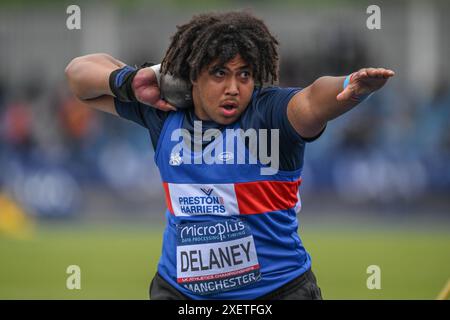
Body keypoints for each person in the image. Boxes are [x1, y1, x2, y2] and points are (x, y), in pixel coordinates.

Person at [65, 11, 394, 300]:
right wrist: (130, 80)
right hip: (180, 293)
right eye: (219, 73)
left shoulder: (270, 113)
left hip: (277, 292)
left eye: (244, 74)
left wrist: (349, 86)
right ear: (192, 76)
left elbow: (311, 100)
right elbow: (79, 75)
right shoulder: (164, 113)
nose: (234, 87)